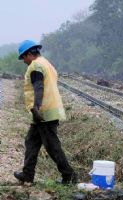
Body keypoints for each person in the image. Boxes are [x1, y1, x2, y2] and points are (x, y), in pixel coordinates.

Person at [13, 40, 76, 184]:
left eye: (23, 57)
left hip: (43, 112)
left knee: (52, 147)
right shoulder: (46, 63)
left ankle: (69, 176)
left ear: (29, 54)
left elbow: (39, 87)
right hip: (45, 112)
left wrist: (36, 107)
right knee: (31, 141)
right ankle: (27, 174)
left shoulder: (36, 65)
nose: (24, 61)